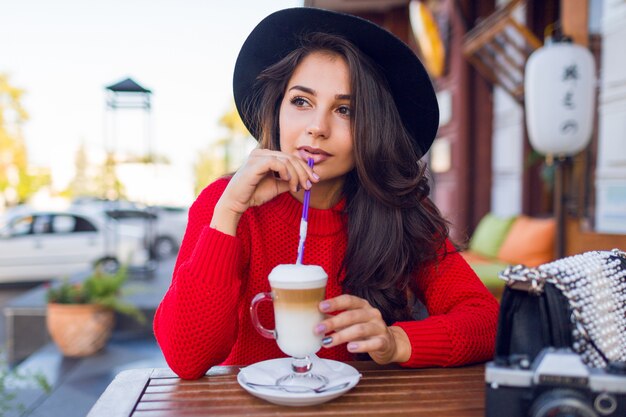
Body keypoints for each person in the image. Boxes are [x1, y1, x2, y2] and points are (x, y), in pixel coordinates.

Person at [154, 7, 499, 380]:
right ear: (277, 110)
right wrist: (229, 212)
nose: (317, 127)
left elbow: (486, 322)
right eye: (301, 101)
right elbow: (186, 358)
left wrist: (397, 341)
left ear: (373, 127)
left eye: (345, 110)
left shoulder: (399, 210)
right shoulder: (227, 203)